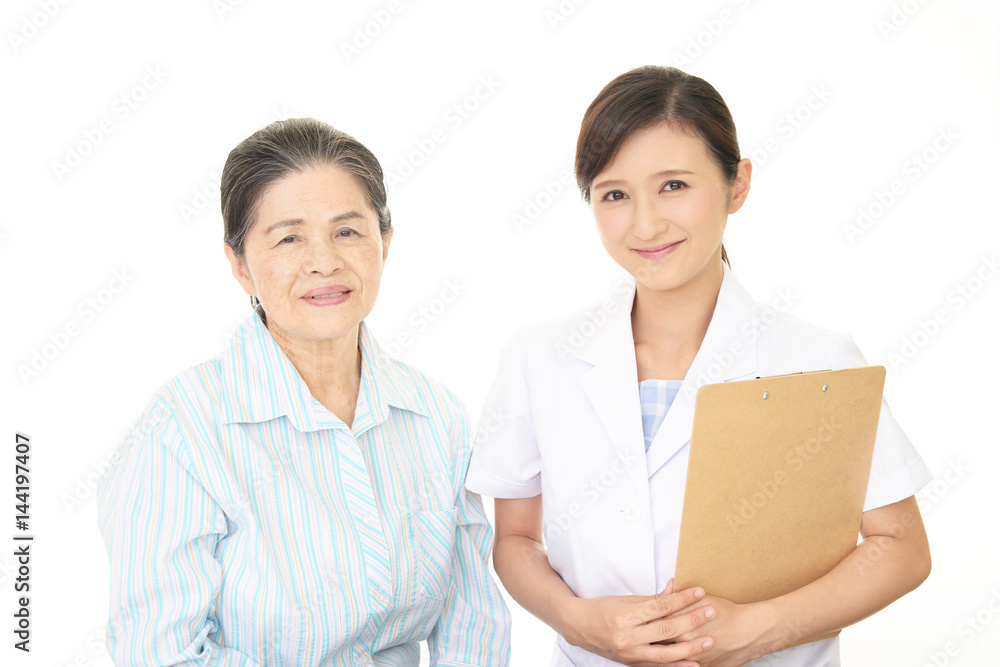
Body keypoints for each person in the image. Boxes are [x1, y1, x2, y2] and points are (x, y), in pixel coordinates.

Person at [465, 66, 932, 667]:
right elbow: (516, 539)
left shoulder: (817, 361)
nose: (646, 224)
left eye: (674, 185)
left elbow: (902, 548)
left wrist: (756, 631)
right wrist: (581, 624)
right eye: (614, 194)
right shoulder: (539, 357)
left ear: (738, 184)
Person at [97, 118, 511, 666]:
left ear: (385, 243)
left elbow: (473, 627)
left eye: (348, 232)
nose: (324, 261)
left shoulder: (434, 415)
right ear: (240, 266)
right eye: (289, 238)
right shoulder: (180, 431)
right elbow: (160, 654)